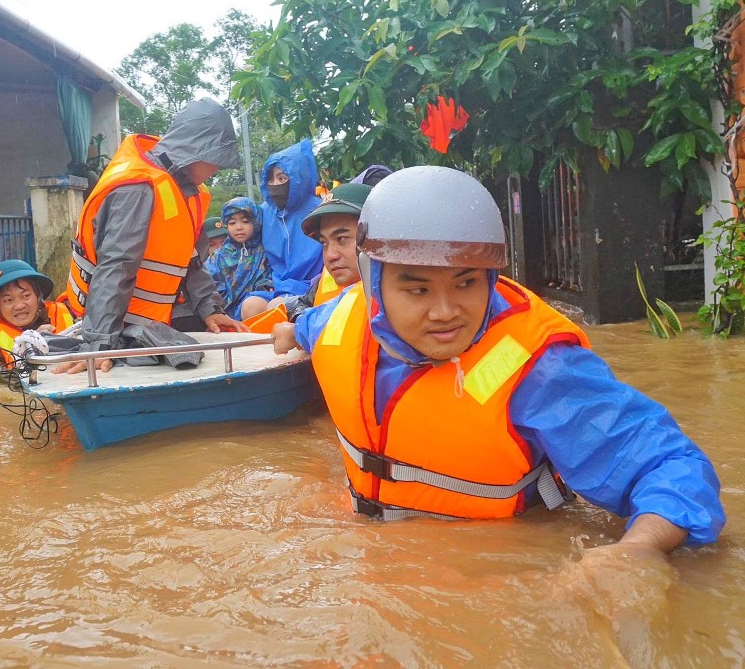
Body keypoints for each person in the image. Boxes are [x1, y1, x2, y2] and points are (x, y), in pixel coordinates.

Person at [274, 166, 724, 553]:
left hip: (497, 570)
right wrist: (288, 329)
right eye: (417, 289)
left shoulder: (539, 369)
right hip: (373, 561)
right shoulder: (338, 318)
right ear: (375, 284)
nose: (446, 311)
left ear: (490, 277)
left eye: (467, 283)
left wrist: (639, 551)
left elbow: (671, 467)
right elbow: (308, 326)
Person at [61, 98, 244, 375]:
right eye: (216, 159)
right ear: (197, 151)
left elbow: (190, 262)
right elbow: (116, 266)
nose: (217, 168)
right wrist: (98, 345)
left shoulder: (187, 193)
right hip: (108, 328)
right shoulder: (138, 190)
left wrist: (209, 309)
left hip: (146, 329)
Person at [239, 139, 323, 319]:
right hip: (276, 286)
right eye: (270, 179)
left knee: (277, 307)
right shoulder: (264, 212)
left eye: (282, 178)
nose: (275, 184)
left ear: (298, 178)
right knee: (250, 306)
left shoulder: (320, 209)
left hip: (313, 285)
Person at [0, 259, 74, 383]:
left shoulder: (69, 313)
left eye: (26, 296)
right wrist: (31, 351)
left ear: (38, 296)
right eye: (8, 300)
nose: (19, 306)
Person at [284, 182, 371, 320]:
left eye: (341, 238)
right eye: (324, 243)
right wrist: (301, 320)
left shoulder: (397, 294)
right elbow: (300, 305)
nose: (330, 256)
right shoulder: (325, 282)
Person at [204, 197, 273, 318]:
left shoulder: (265, 251)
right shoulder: (218, 256)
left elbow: (269, 279)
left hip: (253, 311)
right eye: (232, 223)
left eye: (245, 221)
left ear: (256, 222)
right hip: (222, 315)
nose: (239, 227)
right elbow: (207, 284)